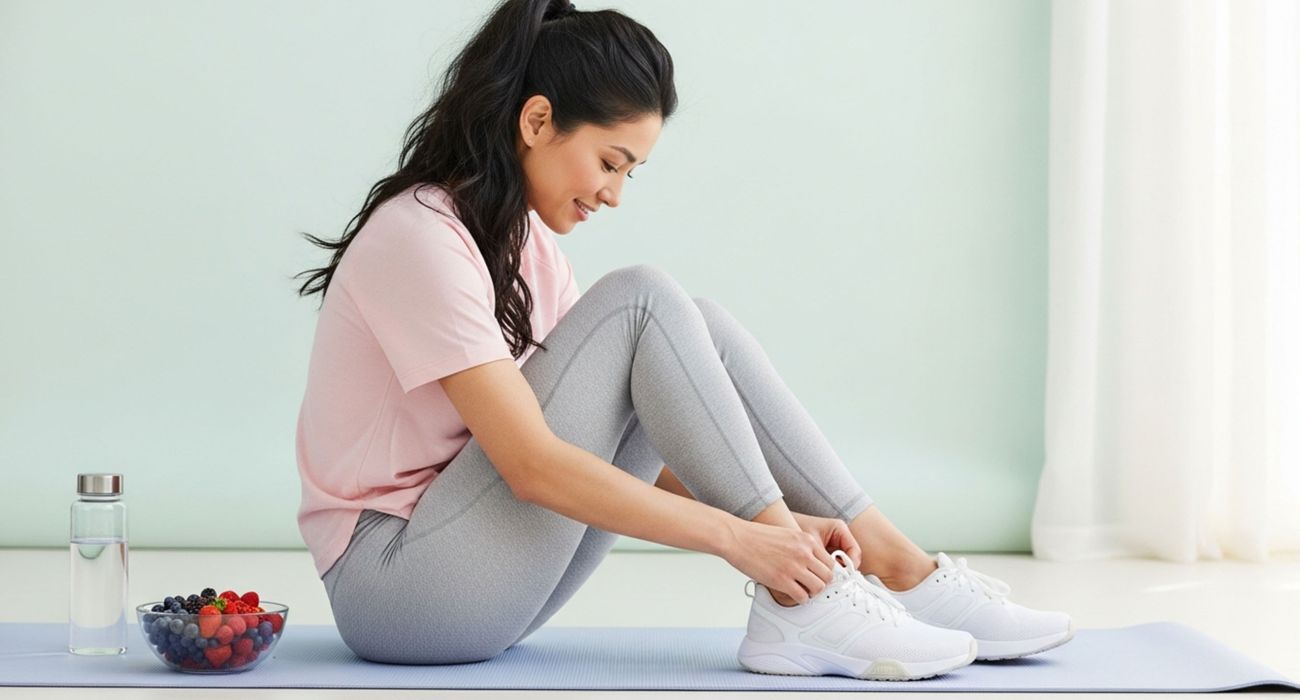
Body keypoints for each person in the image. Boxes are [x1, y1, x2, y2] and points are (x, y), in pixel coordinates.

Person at [291, 0, 1074, 680]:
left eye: (631, 172)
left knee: (692, 321)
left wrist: (783, 531)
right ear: (536, 121)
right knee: (644, 302)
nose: (614, 193)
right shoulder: (421, 235)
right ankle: (803, 599)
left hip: (473, 573)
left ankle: (895, 565)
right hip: (399, 591)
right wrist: (743, 540)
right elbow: (531, 464)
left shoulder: (524, 247)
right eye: (610, 161)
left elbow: (633, 436)